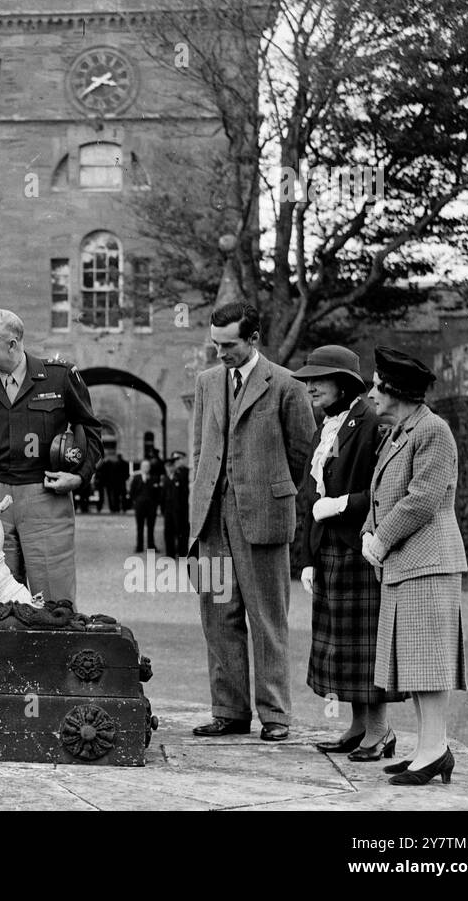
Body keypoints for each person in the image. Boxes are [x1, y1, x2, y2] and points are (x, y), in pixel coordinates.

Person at [189, 300, 317, 742]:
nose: (220, 353)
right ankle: (229, 711)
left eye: (229, 345)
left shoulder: (286, 384)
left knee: (267, 618)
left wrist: (270, 490)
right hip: (211, 519)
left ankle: (275, 715)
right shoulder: (207, 383)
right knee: (217, 616)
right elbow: (198, 452)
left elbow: (303, 452)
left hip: (263, 515)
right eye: (215, 344)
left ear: (253, 339)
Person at [292, 346, 406, 761]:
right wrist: (307, 557)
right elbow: (310, 496)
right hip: (330, 550)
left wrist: (343, 505)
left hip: (360, 550)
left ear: (344, 382)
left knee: (365, 647)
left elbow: (385, 490)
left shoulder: (370, 422)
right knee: (343, 648)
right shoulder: (329, 425)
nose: (310, 387)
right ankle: (358, 727)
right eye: (307, 380)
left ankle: (380, 731)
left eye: (318, 380)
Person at [363, 346, 468, 785]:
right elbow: (380, 494)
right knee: (416, 663)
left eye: (376, 385)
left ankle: (434, 751)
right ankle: (429, 749)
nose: (371, 393)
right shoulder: (401, 431)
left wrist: (380, 539)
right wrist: (371, 534)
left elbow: (422, 498)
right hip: (406, 563)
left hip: (428, 561)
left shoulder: (433, 431)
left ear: (396, 391)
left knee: (428, 664)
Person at [0, 309, 103, 604]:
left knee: (54, 601)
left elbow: (90, 429)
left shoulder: (59, 378)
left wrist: (79, 476)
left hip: (45, 498)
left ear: (12, 344)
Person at [129, 459, 161, 553]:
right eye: (144, 466)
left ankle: (151, 546)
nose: (146, 468)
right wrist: (136, 501)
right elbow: (132, 492)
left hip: (151, 507)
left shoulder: (154, 478)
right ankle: (139, 546)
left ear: (149, 468)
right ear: (141, 467)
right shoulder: (136, 478)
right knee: (140, 527)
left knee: (151, 527)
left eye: (147, 466)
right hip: (140, 506)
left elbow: (157, 493)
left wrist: (155, 504)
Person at [163, 451, 191, 558]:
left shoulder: (183, 473)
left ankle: (182, 552)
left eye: (178, 459)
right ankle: (170, 553)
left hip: (181, 508)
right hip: (169, 509)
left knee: (181, 530)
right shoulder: (166, 478)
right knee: (169, 531)